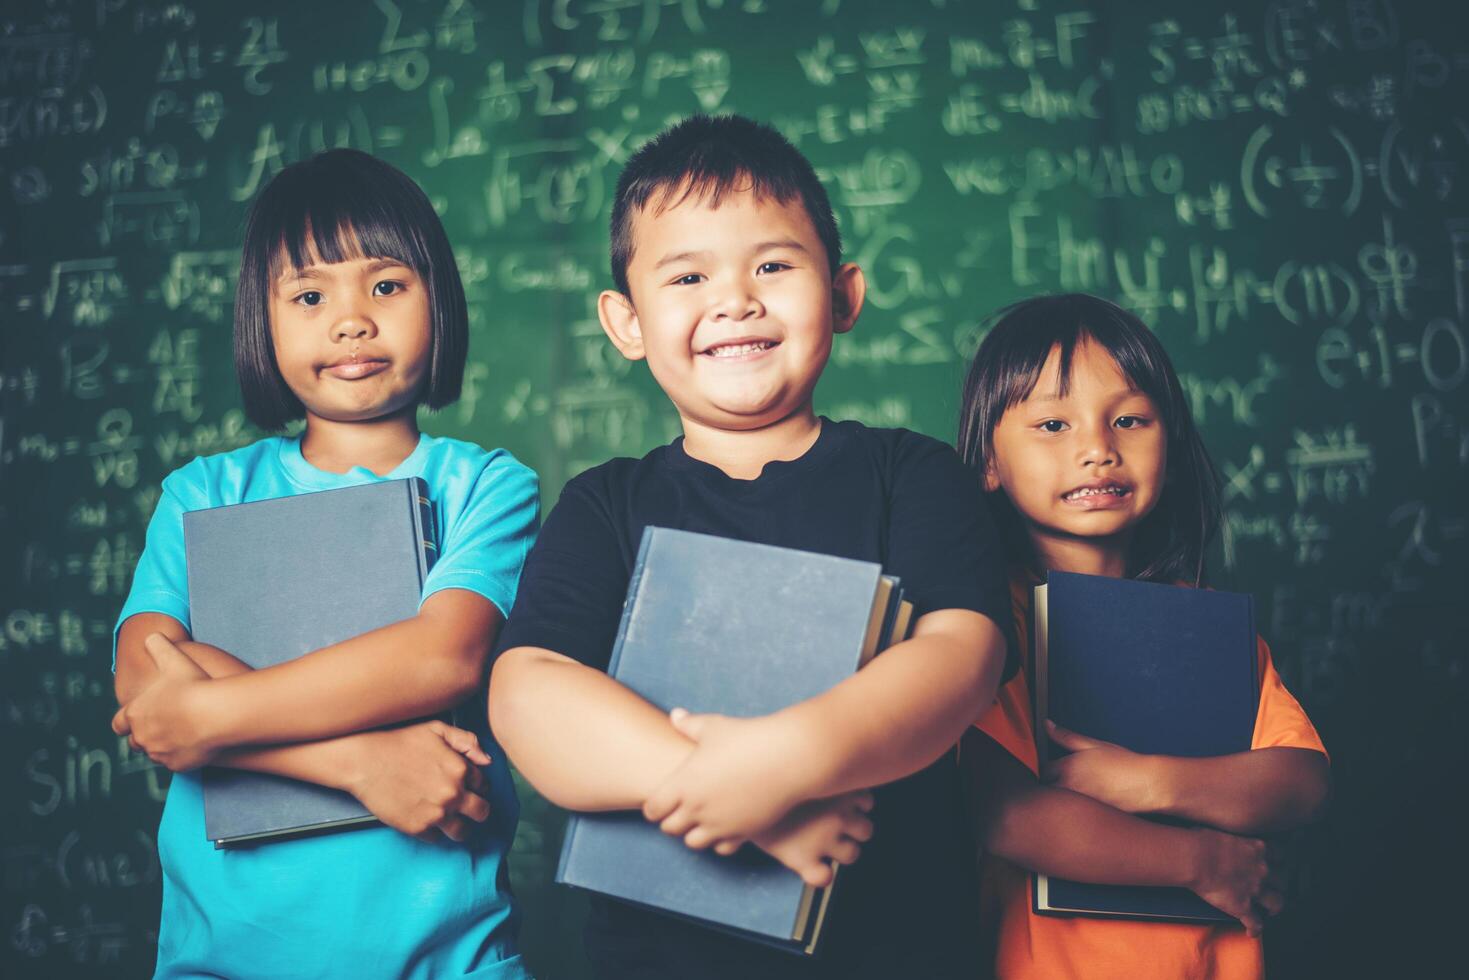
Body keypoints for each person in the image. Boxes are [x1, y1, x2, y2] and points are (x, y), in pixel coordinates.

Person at [486, 113, 1013, 980]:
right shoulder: (604, 507)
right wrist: (741, 791)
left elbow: (963, 656)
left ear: (843, 294)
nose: (735, 300)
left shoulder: (910, 476)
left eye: (772, 265)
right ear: (624, 323)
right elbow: (527, 693)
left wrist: (789, 758)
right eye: (688, 275)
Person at [111, 148, 538, 979]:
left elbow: (439, 656)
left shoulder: (485, 485)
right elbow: (147, 688)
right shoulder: (203, 492)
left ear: (438, 300)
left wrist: (212, 712)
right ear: (258, 320)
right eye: (309, 295)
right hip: (222, 961)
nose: (351, 321)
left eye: (386, 286)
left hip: (450, 960)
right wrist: (361, 765)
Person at [955, 293, 1330, 979]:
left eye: (1128, 419)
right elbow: (1010, 817)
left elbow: (1299, 781)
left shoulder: (1205, 624)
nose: (1097, 449)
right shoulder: (980, 625)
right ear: (986, 460)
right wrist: (1201, 860)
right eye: (1051, 424)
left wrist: (1145, 781)